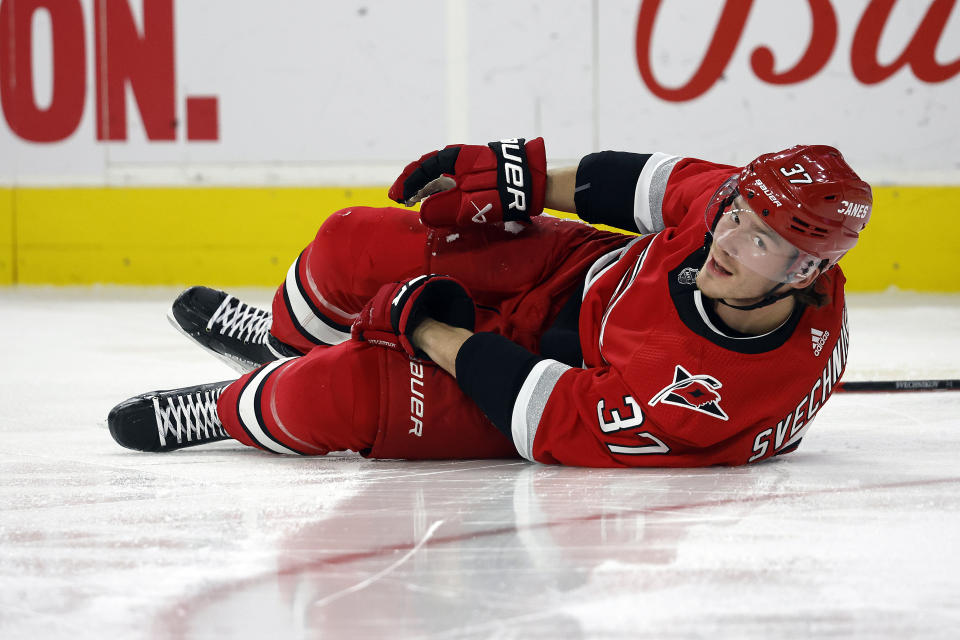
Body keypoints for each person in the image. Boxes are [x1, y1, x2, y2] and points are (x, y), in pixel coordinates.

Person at [107, 139, 872, 467]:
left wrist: (426, 330)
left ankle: (235, 405)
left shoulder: (700, 397)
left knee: (335, 393)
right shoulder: (753, 212)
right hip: (585, 274)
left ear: (806, 273)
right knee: (351, 243)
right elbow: (644, 182)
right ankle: (285, 344)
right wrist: (514, 178)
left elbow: (548, 412)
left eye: (759, 244)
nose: (727, 243)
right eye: (737, 217)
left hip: (544, 379)